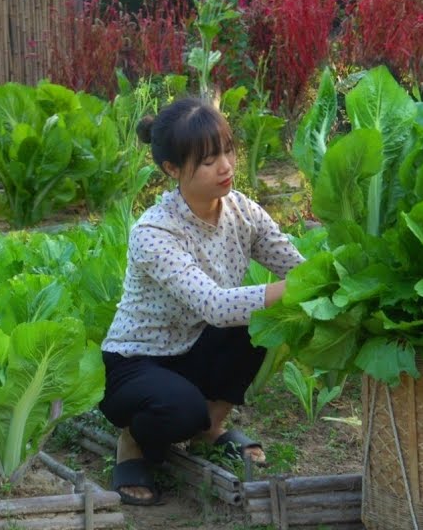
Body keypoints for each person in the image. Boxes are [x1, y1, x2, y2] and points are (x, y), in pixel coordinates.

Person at [99, 95, 303, 506]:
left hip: (195, 346)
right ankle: (133, 441)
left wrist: (332, 280)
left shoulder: (242, 211)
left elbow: (295, 266)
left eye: (228, 151)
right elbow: (216, 306)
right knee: (181, 411)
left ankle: (210, 428)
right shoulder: (155, 232)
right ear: (172, 169)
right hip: (139, 361)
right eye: (208, 160)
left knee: (258, 322)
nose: (226, 166)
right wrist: (298, 289)